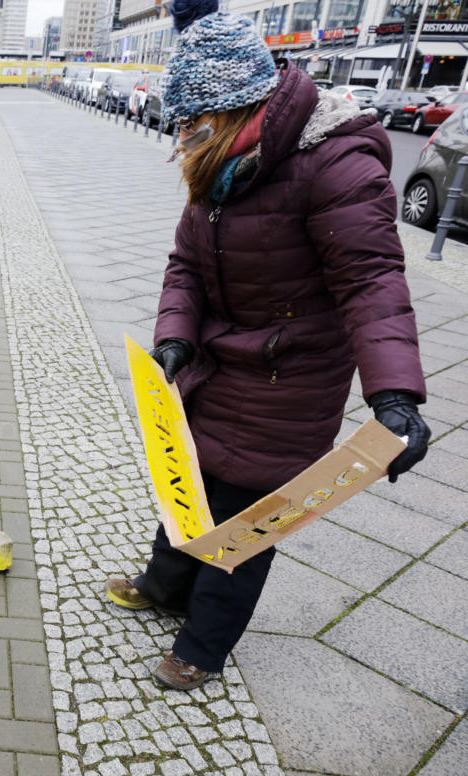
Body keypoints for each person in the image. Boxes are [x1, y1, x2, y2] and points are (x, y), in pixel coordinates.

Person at [103, 0, 430, 691]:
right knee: (186, 488)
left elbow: (373, 282)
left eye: (195, 122)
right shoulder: (218, 161)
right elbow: (185, 266)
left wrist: (395, 396)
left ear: (238, 111)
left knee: (245, 527)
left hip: (290, 380)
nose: (185, 135)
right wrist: (174, 340)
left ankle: (203, 646)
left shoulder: (335, 165)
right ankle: (164, 586)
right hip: (217, 368)